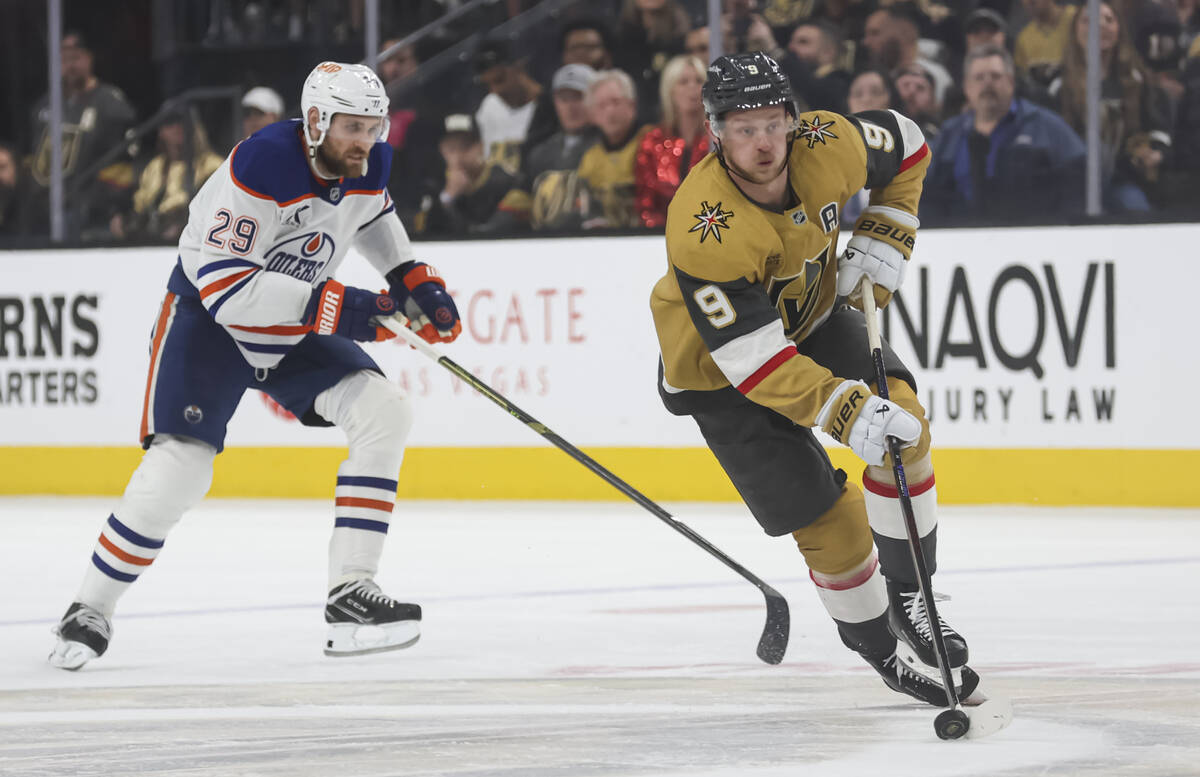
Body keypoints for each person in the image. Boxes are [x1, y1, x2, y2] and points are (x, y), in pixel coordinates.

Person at [49, 61, 463, 670]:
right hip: (209, 321)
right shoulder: (262, 162)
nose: (366, 140)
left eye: (374, 126)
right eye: (352, 126)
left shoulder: (367, 161)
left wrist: (413, 279)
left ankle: (351, 592)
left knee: (384, 411)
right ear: (317, 121)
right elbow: (225, 287)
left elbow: (372, 218)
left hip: (291, 316)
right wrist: (347, 308)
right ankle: (90, 608)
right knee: (182, 468)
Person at [649, 51, 984, 709]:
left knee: (905, 424)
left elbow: (909, 146)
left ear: (793, 118)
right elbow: (757, 364)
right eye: (743, 128)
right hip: (719, 373)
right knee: (833, 526)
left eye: (773, 122)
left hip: (811, 319)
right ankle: (880, 648)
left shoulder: (826, 143)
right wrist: (847, 410)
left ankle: (913, 595)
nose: (763, 142)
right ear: (715, 131)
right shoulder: (702, 224)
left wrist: (886, 238)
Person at [922, 45, 1086, 225]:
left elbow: (1079, 181)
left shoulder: (1047, 127)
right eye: (979, 78)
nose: (987, 83)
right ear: (967, 88)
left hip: (1033, 237)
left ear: (1011, 82)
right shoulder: (950, 134)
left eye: (995, 76)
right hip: (962, 239)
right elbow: (928, 193)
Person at [29, 31, 137, 240]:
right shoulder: (43, 108)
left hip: (93, 215)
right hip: (46, 213)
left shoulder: (112, 105)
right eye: (63, 59)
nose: (70, 65)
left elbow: (124, 165)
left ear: (89, 58)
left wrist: (114, 208)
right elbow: (35, 161)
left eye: (75, 58)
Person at [111, 107, 225, 242]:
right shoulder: (156, 165)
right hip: (153, 234)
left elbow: (213, 209)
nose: (177, 128)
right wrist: (121, 218)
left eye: (183, 123)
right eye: (170, 123)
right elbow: (140, 204)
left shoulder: (213, 165)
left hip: (190, 236)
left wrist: (183, 224)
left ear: (195, 127)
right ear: (161, 131)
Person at [634, 55, 710, 229]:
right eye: (683, 82)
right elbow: (645, 203)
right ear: (670, 90)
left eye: (699, 81)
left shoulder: (719, 141)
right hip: (658, 238)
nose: (693, 88)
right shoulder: (651, 141)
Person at [576, 69, 652, 229]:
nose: (610, 111)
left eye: (616, 102)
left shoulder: (652, 143)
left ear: (632, 105)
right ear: (593, 114)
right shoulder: (589, 158)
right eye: (602, 105)